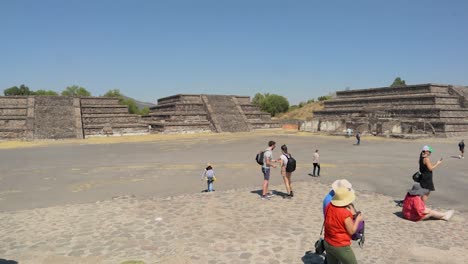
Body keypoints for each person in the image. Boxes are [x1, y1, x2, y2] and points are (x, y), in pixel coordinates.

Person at [323, 187, 363, 264]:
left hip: (328, 242)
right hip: (341, 246)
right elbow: (351, 231)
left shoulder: (329, 206)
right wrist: (358, 219)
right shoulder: (345, 213)